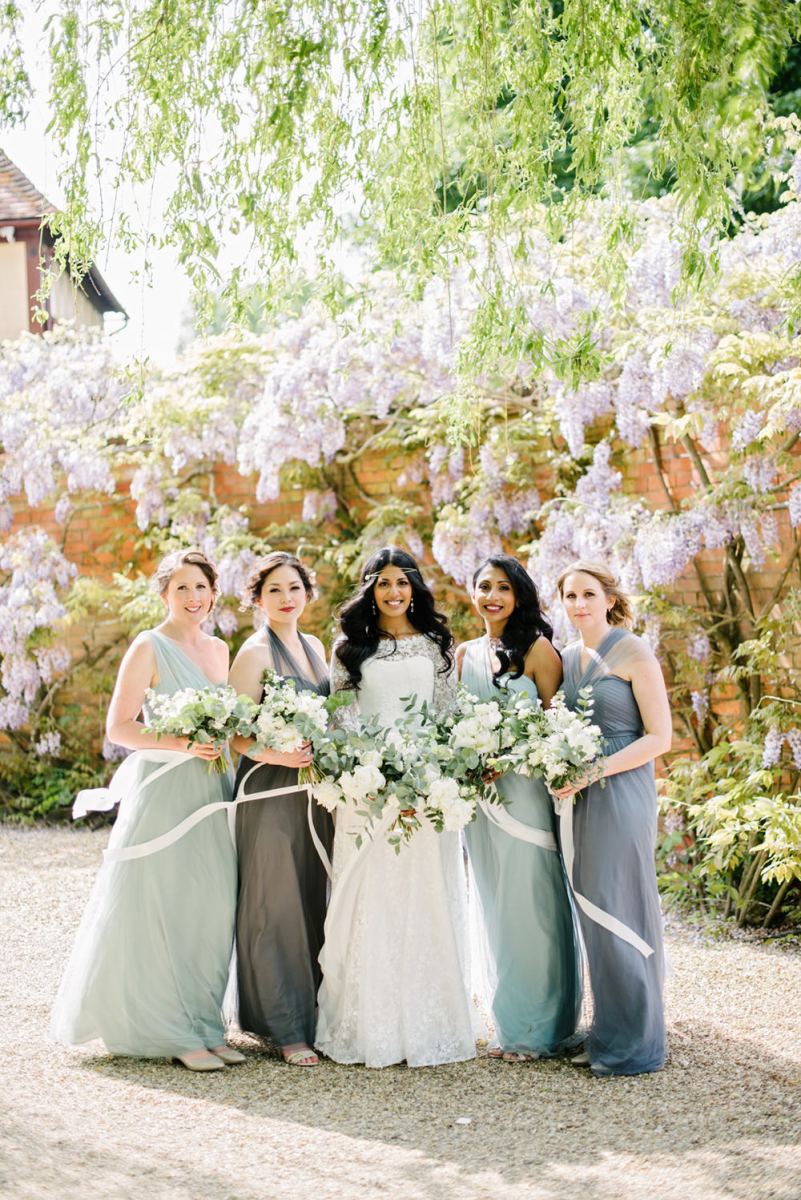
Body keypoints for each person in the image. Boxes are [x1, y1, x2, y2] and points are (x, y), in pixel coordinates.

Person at [50, 549, 242, 1072]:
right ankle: (170, 1031)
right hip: (165, 789)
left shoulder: (219, 650)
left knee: (209, 907)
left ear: (213, 593)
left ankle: (205, 1024)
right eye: (181, 588)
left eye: (201, 587)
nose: (193, 597)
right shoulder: (148, 645)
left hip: (213, 789)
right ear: (164, 594)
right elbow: (120, 728)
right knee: (163, 904)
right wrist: (184, 743)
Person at [314, 547, 476, 1068]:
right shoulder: (349, 648)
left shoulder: (435, 644)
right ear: (370, 589)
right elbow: (340, 720)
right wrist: (372, 771)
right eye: (383, 583)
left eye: (402, 582)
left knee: (425, 893)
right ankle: (371, 1027)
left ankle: (429, 1024)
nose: (393, 592)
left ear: (414, 588)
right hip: (367, 792)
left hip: (426, 792)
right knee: (371, 896)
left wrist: (433, 775)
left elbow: (448, 716)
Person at [457, 555, 582, 1061]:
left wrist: (509, 757)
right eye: (485, 586)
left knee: (531, 902)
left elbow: (559, 729)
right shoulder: (463, 654)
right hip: (479, 802)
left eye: (504, 588)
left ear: (519, 595)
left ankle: (539, 1028)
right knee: (494, 904)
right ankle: (510, 1021)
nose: (493, 596)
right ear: (472, 594)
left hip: (525, 796)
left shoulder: (537, 649)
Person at [553, 560, 671, 1077]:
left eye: (588, 594)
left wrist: (595, 770)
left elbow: (659, 738)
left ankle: (635, 1039)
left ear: (609, 599)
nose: (579, 604)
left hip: (621, 790)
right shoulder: (567, 657)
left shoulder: (633, 650)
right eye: (570, 596)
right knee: (592, 904)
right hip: (579, 794)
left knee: (620, 900)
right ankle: (609, 1028)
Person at [228, 553, 332, 1067]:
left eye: (294, 587)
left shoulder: (315, 647)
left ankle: (314, 1017)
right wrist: (277, 754)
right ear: (258, 599)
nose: (286, 598)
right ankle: (284, 1026)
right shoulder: (253, 654)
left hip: (313, 792)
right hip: (269, 790)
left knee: (313, 898)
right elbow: (234, 735)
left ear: (307, 593)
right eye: (274, 590)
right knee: (275, 902)